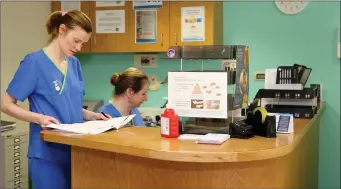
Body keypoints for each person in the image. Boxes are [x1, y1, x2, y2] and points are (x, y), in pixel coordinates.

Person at [1, 10, 110, 189]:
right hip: (47, 156)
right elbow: (6, 105)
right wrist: (39, 118)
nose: (78, 48)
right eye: (76, 41)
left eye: (83, 43)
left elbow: (69, 104)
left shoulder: (74, 64)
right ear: (62, 29)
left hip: (75, 152)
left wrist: (91, 115)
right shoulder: (34, 62)